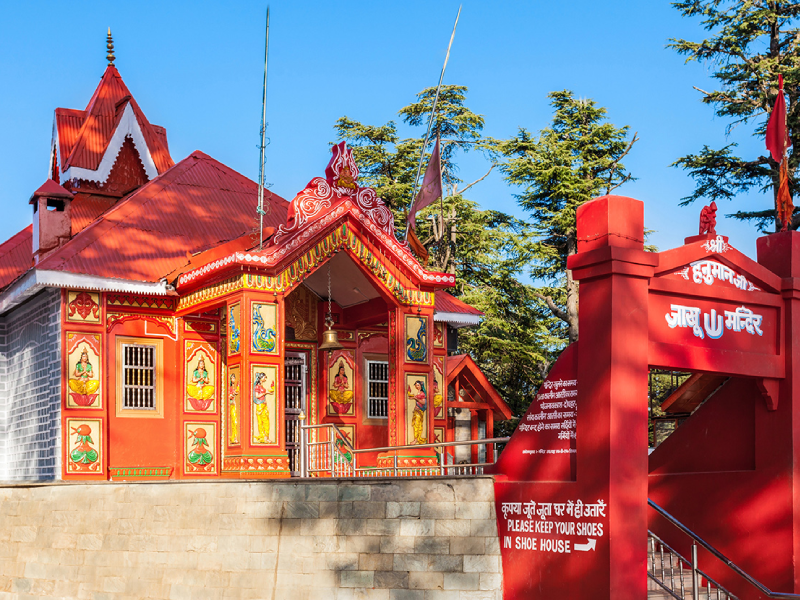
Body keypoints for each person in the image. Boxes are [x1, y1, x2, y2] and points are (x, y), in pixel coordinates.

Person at [253, 372, 274, 444]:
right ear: (261, 378)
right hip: (260, 406)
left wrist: (268, 392)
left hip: (264, 405)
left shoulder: (261, 386)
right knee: (261, 422)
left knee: (266, 421)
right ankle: (263, 437)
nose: (265, 379)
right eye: (264, 377)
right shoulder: (257, 386)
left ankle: (266, 437)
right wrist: (266, 393)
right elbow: (257, 396)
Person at [407, 380, 428, 444]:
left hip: (419, 411)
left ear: (421, 386)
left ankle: (416, 439)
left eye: (418, 385)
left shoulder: (422, 393)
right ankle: (416, 438)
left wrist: (415, 398)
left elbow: (423, 402)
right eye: (416, 385)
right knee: (415, 425)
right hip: (416, 411)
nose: (417, 386)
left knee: (417, 425)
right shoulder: (418, 393)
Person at [228, 373, 239, 445]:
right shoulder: (229, 388)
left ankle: (234, 437)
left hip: (233, 406)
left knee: (235, 421)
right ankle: (232, 437)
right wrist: (232, 395)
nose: (233, 379)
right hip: (230, 406)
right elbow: (227, 396)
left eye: (234, 378)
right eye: (232, 378)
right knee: (231, 421)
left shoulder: (233, 388)